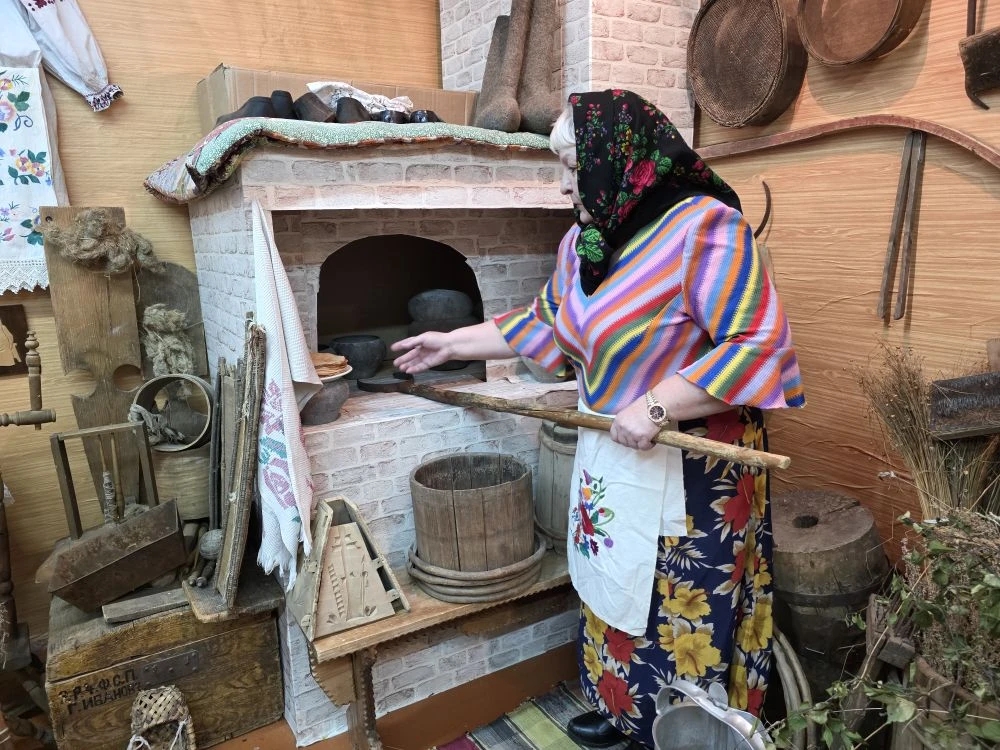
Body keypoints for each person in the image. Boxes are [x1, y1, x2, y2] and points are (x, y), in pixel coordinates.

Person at [392, 89, 805, 748]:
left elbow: (758, 345)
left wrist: (656, 403)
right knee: (612, 582)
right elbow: (549, 320)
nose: (562, 187)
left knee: (677, 602)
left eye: (571, 168)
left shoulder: (704, 229)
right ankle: (623, 709)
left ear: (623, 161)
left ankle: (689, 729)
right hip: (612, 449)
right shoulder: (586, 241)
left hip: (692, 464)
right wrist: (452, 343)